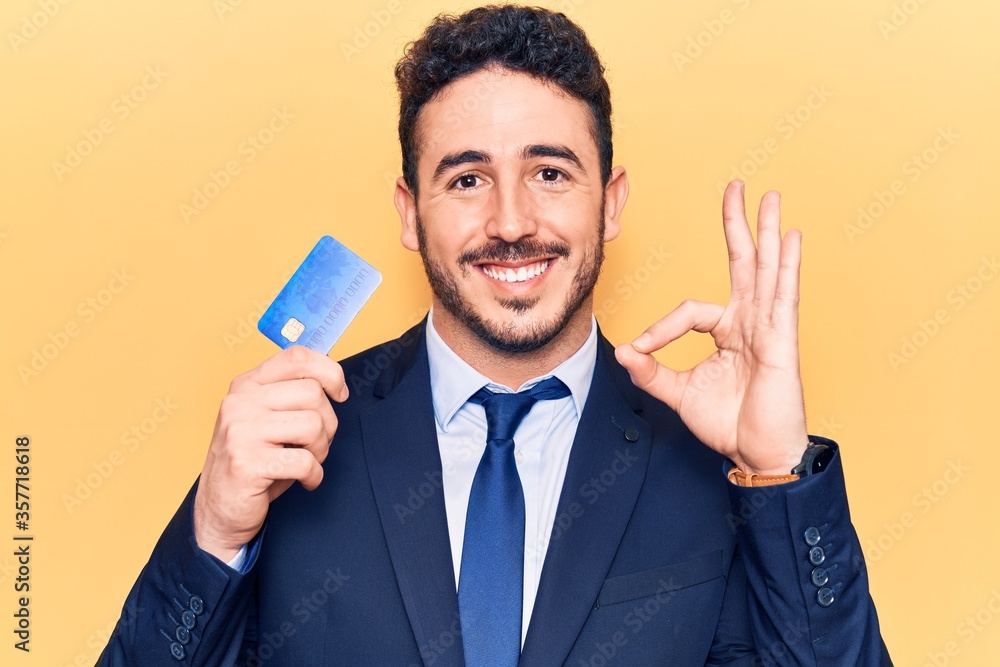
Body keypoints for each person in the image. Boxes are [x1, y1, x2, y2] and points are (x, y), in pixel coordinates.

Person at [99, 5, 891, 665]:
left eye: (550, 172)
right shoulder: (293, 446)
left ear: (610, 203)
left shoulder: (708, 464)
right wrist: (212, 532)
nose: (511, 222)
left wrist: (780, 472)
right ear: (410, 213)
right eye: (467, 178)